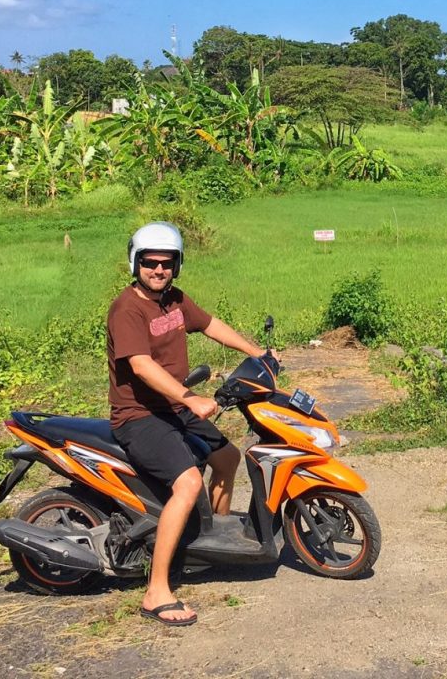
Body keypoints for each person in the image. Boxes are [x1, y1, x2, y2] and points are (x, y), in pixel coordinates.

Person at [107, 221, 270, 627]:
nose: (158, 270)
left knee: (229, 457)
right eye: (150, 262)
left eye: (166, 263)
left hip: (173, 408)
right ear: (135, 262)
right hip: (140, 415)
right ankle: (156, 590)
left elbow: (210, 325)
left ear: (177, 266)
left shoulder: (175, 301)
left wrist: (257, 352)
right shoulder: (127, 308)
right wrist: (188, 397)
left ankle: (209, 546)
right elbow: (141, 366)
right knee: (188, 483)